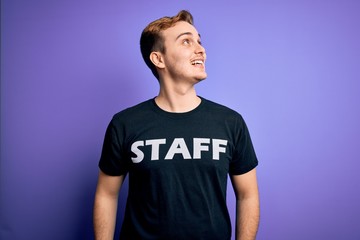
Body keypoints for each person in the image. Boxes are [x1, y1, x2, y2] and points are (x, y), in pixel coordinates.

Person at [93, 10, 260, 240]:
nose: (200, 49)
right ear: (158, 59)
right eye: (186, 41)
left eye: (199, 41)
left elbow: (247, 195)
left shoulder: (230, 122)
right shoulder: (125, 124)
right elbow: (106, 194)